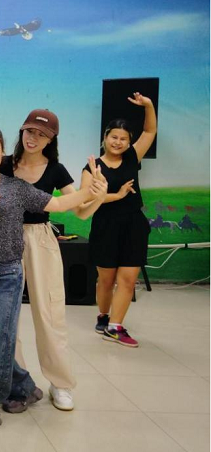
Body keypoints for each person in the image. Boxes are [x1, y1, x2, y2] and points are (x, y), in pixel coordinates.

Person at [0, 125, 105, 427]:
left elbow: (58, 204)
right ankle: (23, 385)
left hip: (7, 273)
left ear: (2, 153)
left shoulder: (16, 187)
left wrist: (91, 192)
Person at [0, 109, 107, 411]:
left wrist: (98, 195)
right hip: (4, 239)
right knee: (5, 316)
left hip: (40, 240)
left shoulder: (56, 170)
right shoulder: (4, 164)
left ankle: (60, 384)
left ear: (51, 139)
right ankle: (13, 383)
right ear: (22, 131)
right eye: (30, 131)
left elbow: (81, 211)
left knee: (50, 314)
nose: (33, 138)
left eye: (41, 134)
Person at [83, 92, 157, 348]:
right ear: (105, 138)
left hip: (133, 225)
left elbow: (150, 131)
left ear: (129, 142)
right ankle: (103, 316)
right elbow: (86, 201)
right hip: (105, 226)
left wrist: (148, 105)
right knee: (106, 280)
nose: (118, 142)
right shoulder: (93, 167)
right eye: (114, 137)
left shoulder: (132, 157)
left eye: (124, 138)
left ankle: (115, 327)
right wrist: (117, 195)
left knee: (127, 279)